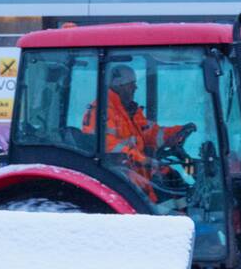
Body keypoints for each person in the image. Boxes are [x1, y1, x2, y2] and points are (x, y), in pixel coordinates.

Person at [83, 64, 196, 201]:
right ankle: (173, 219)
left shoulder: (130, 111)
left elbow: (151, 134)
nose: (135, 88)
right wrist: (145, 160)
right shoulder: (101, 112)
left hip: (138, 169)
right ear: (119, 86)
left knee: (174, 180)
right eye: (131, 84)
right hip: (119, 175)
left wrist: (175, 133)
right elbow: (109, 148)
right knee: (165, 197)